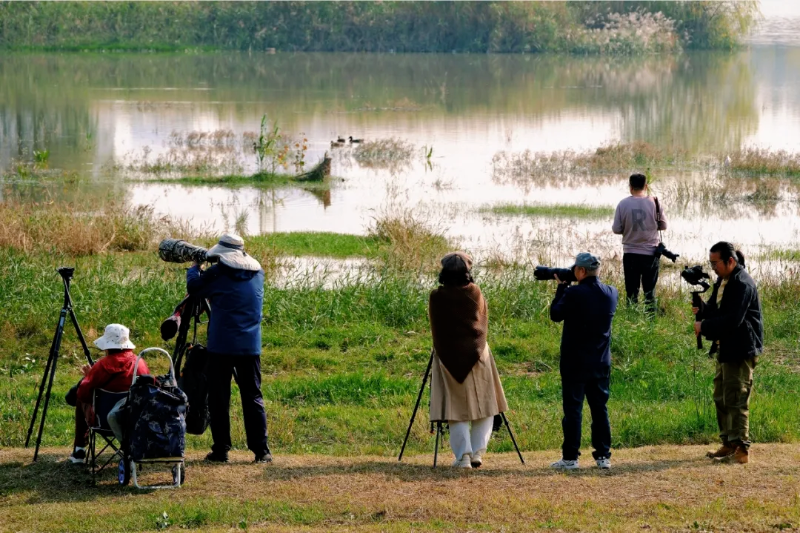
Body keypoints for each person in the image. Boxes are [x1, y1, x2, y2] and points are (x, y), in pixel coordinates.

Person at [187, 233, 272, 464]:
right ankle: (261, 451)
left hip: (222, 345)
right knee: (252, 396)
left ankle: (221, 449)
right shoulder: (258, 273)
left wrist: (195, 267)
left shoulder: (217, 274)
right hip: (250, 345)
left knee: (218, 397)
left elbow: (195, 288)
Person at [428, 252, 508, 468]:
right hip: (478, 354)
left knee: (456, 409)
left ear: (444, 272)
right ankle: (478, 453)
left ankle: (463, 456)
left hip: (448, 356)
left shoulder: (437, 296)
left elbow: (436, 326)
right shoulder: (476, 292)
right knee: (485, 406)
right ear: (467, 272)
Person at [694, 242, 763, 464]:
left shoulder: (742, 284)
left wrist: (704, 327)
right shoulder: (724, 280)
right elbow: (717, 309)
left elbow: (733, 319)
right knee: (721, 396)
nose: (712, 267)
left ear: (730, 261)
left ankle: (741, 449)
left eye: (715, 263)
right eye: (710, 262)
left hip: (741, 348)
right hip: (726, 346)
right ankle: (728, 443)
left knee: (736, 397)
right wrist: (703, 309)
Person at [549, 252, 618, 470]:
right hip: (600, 362)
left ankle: (570, 458)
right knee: (600, 409)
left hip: (574, 362)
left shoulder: (573, 293)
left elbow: (555, 314)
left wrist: (561, 288)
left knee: (573, 410)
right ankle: (603, 457)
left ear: (580, 271)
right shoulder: (611, 293)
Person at [68, 324, 149, 464]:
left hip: (102, 421)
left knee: (80, 400)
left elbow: (83, 395)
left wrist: (88, 377)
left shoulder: (101, 366)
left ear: (107, 345)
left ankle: (79, 449)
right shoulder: (140, 364)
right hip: (133, 419)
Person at [612, 173, 668, 311]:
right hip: (651, 254)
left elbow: (616, 229)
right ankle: (650, 320)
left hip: (630, 254)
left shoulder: (623, 203)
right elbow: (664, 226)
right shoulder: (654, 202)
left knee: (631, 291)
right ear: (646, 186)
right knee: (649, 292)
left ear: (630, 187)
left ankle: (631, 318)